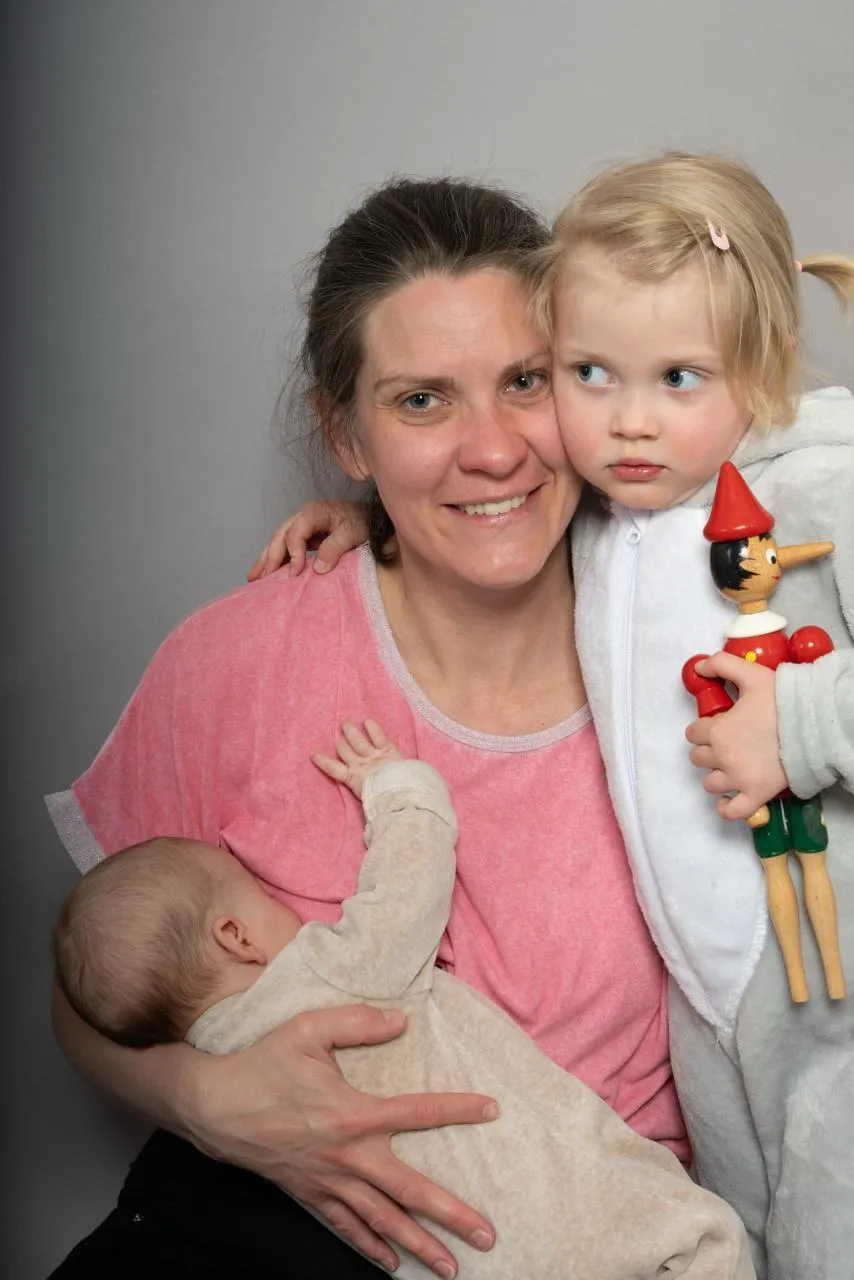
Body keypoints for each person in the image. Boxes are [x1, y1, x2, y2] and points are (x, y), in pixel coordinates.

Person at [47, 177, 687, 1280]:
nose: (493, 450)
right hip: (248, 1225)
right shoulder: (236, 661)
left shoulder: (692, 650)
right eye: (422, 401)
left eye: (525, 381)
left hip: (588, 1238)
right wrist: (204, 1101)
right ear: (345, 432)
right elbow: (92, 985)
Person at [255, 152, 854, 1280]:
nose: (631, 422)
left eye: (679, 377)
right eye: (588, 374)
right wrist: (365, 516)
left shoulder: (815, 490)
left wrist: (801, 728)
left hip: (827, 972)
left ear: (762, 363)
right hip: (706, 1003)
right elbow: (483, 502)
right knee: (740, 1241)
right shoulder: (607, 512)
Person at [53, 719, 754, 1280]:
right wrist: (397, 785)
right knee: (702, 1242)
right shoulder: (329, 976)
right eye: (256, 891)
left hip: (455, 1259)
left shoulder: (218, 1055)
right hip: (558, 1211)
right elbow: (408, 885)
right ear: (235, 936)